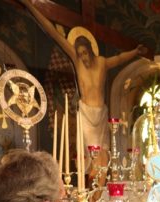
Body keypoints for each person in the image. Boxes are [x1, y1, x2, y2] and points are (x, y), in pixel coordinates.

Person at [20, 0, 146, 155]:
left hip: (101, 113)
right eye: (80, 54)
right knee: (87, 156)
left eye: (85, 53)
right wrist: (30, 5)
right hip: (86, 113)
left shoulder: (102, 62)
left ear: (90, 49)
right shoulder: (76, 60)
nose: (83, 58)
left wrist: (135, 52)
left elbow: (119, 58)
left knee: (104, 154)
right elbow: (53, 33)